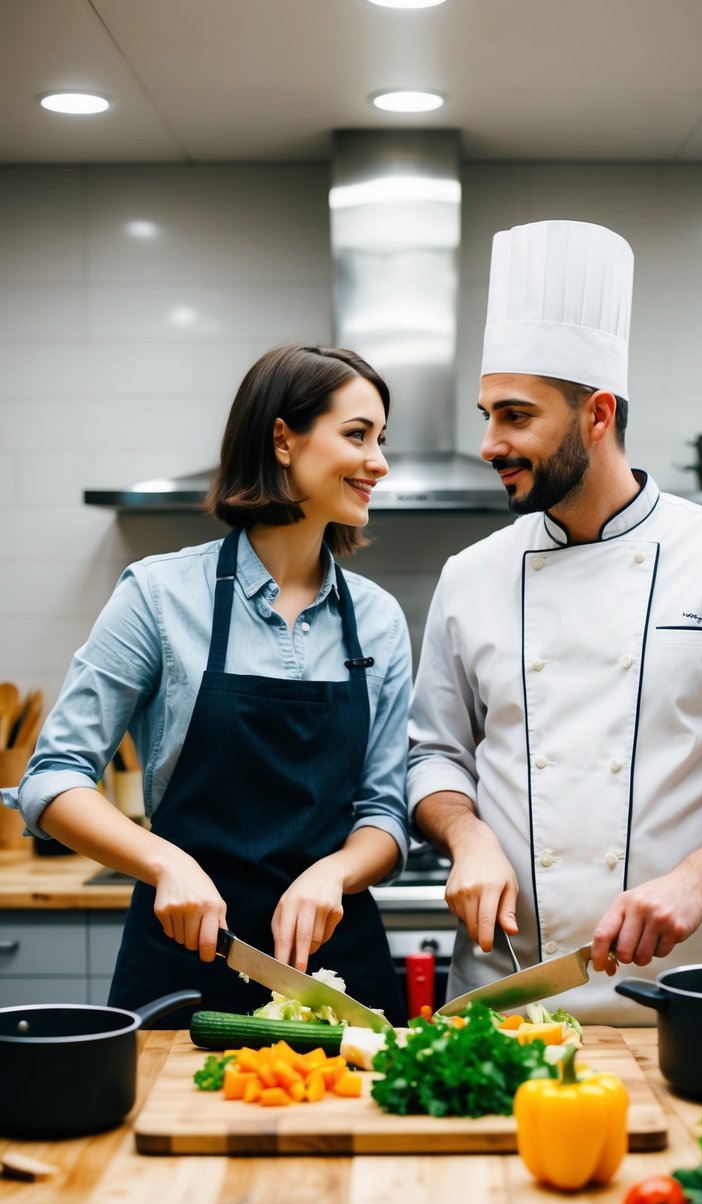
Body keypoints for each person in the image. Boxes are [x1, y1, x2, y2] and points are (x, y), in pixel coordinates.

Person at [407, 220, 702, 1024]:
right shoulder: (471, 576)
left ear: (596, 414)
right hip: (502, 1007)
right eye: (486, 414)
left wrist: (695, 878)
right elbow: (432, 758)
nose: (490, 443)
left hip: (684, 1001)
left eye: (515, 416)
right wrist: (465, 838)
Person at [10, 343, 411, 1026]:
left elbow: (383, 814)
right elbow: (52, 780)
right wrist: (165, 863)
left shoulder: (375, 618)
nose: (378, 461)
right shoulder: (158, 597)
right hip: (182, 969)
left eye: (381, 439)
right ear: (282, 439)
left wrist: (333, 874)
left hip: (336, 979)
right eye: (357, 435)